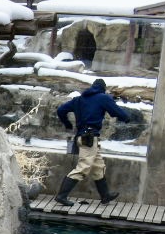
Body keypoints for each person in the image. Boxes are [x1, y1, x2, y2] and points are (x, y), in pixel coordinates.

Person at [54, 78, 133, 206]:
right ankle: (61, 196)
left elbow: (60, 110)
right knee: (83, 167)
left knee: (98, 166)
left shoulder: (79, 99)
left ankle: (105, 196)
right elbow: (115, 110)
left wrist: (67, 123)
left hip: (82, 137)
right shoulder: (102, 97)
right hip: (89, 138)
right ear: (103, 88)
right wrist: (127, 118)